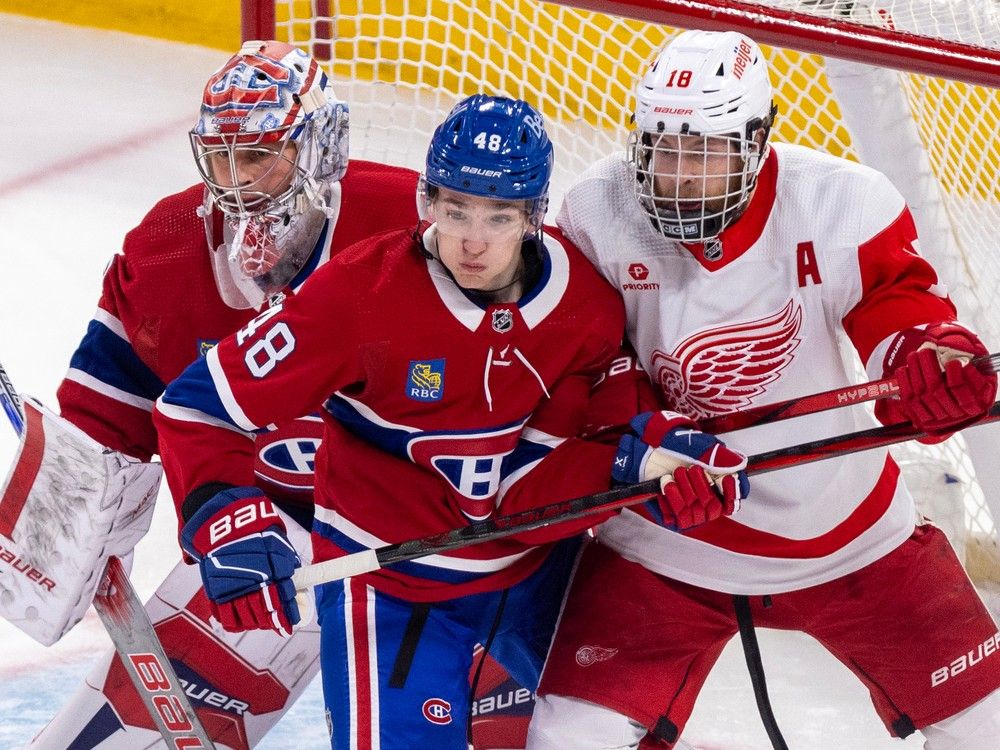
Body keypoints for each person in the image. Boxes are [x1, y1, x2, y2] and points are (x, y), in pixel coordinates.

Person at [150, 92, 748, 749]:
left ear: (534, 216)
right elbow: (197, 407)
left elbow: (568, 462)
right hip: (391, 587)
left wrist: (661, 458)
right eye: (455, 207)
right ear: (426, 200)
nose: (472, 238)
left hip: (539, 576)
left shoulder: (585, 306)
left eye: (498, 216)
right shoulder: (357, 297)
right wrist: (223, 515)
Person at [525, 29, 1000, 750]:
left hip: (850, 537)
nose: (679, 174)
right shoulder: (595, 213)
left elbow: (900, 312)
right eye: (662, 147)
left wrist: (927, 365)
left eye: (706, 150)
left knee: (989, 727)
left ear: (757, 141)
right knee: (566, 737)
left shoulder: (838, 202)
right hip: (667, 539)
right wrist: (651, 443)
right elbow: (587, 367)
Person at [29, 40, 420, 749]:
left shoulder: (416, 226)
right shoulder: (173, 244)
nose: (238, 183)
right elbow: (107, 417)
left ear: (320, 146)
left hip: (432, 561)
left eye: (260, 154)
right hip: (257, 554)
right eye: (222, 157)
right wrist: (60, 523)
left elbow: (539, 347)